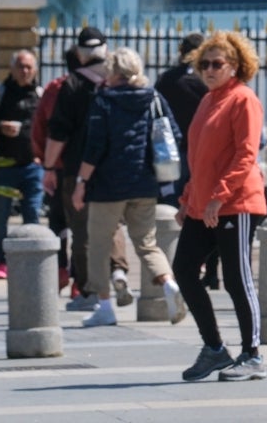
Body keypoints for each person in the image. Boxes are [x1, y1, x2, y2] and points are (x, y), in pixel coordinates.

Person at [173, 31, 267, 383]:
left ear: (236, 66)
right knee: (183, 270)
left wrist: (219, 195)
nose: (209, 70)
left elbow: (246, 153)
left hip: (236, 203)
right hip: (203, 205)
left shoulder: (243, 99)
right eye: (204, 64)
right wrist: (188, 199)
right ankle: (214, 348)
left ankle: (253, 354)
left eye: (217, 64)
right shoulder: (208, 100)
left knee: (237, 279)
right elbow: (200, 159)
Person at [70, 47, 186, 328]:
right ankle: (169, 284)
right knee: (147, 244)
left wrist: (80, 183)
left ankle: (105, 306)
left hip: (107, 187)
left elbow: (94, 147)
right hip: (145, 184)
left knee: (98, 245)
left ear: (113, 71)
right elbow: (175, 135)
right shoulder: (154, 98)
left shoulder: (104, 101)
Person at [44, 27, 132, 311]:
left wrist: (48, 167)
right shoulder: (119, 80)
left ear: (80, 53)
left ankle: (90, 290)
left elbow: (57, 132)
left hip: (76, 167)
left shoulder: (71, 85)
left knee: (81, 229)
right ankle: (118, 270)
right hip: (113, 166)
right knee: (114, 222)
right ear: (106, 50)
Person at [155, 31, 220, 289]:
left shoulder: (167, 80)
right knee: (207, 211)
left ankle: (176, 266)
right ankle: (212, 272)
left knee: (173, 209)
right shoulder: (208, 83)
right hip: (205, 152)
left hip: (173, 153)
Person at [0, 49, 43, 280]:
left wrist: (41, 155)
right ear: (12, 69)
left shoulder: (41, 94)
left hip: (32, 166)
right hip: (3, 166)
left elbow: (49, 128)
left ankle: (32, 260)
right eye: (21, 66)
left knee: (32, 215)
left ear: (34, 70)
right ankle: (1, 261)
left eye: (29, 67)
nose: (25, 71)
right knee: (0, 216)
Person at [31, 45, 81, 293]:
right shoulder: (96, 86)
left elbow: (39, 126)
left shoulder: (54, 89)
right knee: (83, 226)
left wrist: (43, 159)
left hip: (59, 167)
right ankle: (79, 280)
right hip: (87, 169)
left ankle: (61, 268)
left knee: (58, 221)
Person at [153, 31, 208, 207]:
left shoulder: (166, 79)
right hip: (201, 146)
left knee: (170, 200)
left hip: (170, 147)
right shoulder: (206, 81)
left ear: (181, 51)